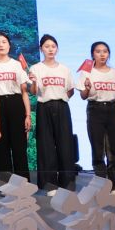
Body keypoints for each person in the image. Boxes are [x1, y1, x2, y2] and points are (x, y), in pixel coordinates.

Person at [28, 34, 77, 192]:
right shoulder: (36, 68)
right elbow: (34, 92)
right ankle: (49, 184)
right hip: (44, 107)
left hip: (62, 107)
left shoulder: (65, 69)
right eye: (47, 46)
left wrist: (60, 98)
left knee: (65, 144)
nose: (50, 49)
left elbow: (70, 90)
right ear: (41, 49)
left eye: (53, 46)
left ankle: (67, 182)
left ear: (57, 49)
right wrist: (34, 82)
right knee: (46, 145)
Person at [79, 40, 115, 191]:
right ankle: (101, 186)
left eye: (105, 51)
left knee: (114, 151)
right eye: (98, 51)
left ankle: (113, 186)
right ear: (92, 54)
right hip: (95, 110)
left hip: (113, 110)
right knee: (98, 150)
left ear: (109, 54)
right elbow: (83, 96)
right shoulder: (87, 73)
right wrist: (87, 88)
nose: (102, 54)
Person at [0, 31, 31, 183]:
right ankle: (5, 183)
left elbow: (24, 92)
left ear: (9, 45)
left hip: (16, 104)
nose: (1, 45)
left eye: (4, 42)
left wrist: (28, 115)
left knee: (19, 147)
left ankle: (23, 184)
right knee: (1, 147)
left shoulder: (16, 65)